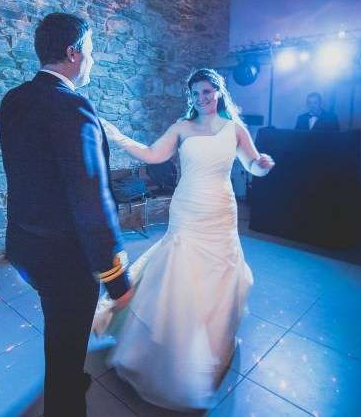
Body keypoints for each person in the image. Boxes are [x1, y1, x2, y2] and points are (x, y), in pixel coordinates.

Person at [97, 68, 275, 411]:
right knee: (181, 273)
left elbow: (251, 165)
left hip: (221, 210)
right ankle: (171, 349)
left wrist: (262, 165)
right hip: (188, 208)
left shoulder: (235, 129)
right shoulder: (181, 126)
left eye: (207, 92)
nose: (201, 99)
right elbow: (153, 155)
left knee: (219, 274)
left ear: (218, 92)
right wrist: (118, 137)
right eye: (195, 94)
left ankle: (212, 343)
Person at [0, 13, 134, 417]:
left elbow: (25, 175)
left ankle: (71, 376)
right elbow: (90, 196)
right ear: (73, 52)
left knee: (59, 326)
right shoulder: (71, 106)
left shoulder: (15, 99)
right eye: (90, 52)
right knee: (67, 335)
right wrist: (116, 276)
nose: (92, 61)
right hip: (65, 255)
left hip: (27, 245)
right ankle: (65, 403)